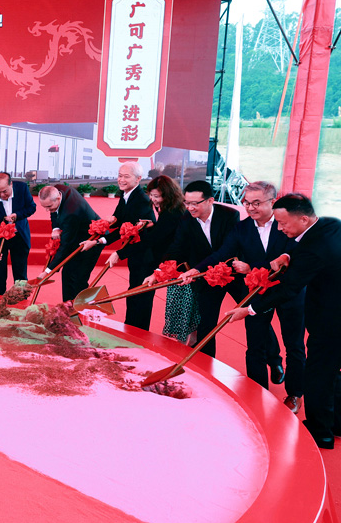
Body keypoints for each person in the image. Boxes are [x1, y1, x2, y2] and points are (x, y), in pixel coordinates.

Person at [227, 194, 340, 449]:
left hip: (329, 320)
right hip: (333, 311)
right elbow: (309, 253)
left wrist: (248, 309)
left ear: (303, 218)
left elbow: (288, 289)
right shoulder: (331, 225)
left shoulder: (313, 248)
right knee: (334, 371)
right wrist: (289, 257)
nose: (280, 229)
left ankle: (321, 431)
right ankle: (337, 423)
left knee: (318, 374)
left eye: (283, 224)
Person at [185, 181, 303, 409]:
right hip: (258, 292)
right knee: (255, 344)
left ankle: (295, 394)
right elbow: (223, 253)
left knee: (294, 345)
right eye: (246, 202)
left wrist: (252, 267)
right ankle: (258, 393)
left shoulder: (288, 224)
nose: (250, 208)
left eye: (257, 203)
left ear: (273, 201)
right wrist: (197, 270)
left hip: (290, 292)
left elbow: (295, 258)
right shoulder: (242, 228)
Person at [145, 180, 241, 358]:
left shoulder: (230, 216)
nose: (190, 207)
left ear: (210, 200)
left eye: (195, 203)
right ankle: (207, 365)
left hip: (235, 274)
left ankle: (273, 357)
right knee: (206, 325)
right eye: (186, 203)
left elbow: (226, 250)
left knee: (255, 314)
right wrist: (158, 273)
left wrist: (196, 269)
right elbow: (176, 248)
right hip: (207, 279)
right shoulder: (186, 219)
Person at [85, 161, 156, 330]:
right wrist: (98, 240)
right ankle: (131, 328)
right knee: (133, 293)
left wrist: (119, 252)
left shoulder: (141, 200)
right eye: (119, 175)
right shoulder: (126, 196)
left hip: (145, 254)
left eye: (126, 176)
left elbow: (142, 235)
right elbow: (119, 224)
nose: (121, 180)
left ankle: (139, 333)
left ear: (138, 179)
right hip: (136, 254)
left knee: (140, 295)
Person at [145, 176, 198, 344]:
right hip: (178, 261)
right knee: (187, 306)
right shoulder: (171, 208)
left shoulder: (172, 212)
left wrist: (142, 232)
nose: (153, 199)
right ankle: (190, 340)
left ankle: (181, 342)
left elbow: (160, 237)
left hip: (180, 263)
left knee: (180, 305)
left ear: (167, 194)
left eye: (157, 196)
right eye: (151, 195)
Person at [37, 184, 102, 302]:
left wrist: (47, 271)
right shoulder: (58, 189)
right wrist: (55, 227)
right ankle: (67, 308)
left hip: (90, 240)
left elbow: (65, 246)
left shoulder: (71, 211)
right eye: (44, 207)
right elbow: (54, 211)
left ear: (58, 198)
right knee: (67, 273)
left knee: (78, 278)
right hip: (75, 234)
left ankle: (80, 311)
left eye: (49, 207)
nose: (47, 210)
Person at [0, 172, 36, 295]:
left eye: (5, 191)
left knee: (20, 272)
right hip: (0, 236)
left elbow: (31, 207)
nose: (2, 195)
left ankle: (21, 299)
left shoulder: (22, 188)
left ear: (11, 184)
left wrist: (17, 215)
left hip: (19, 235)